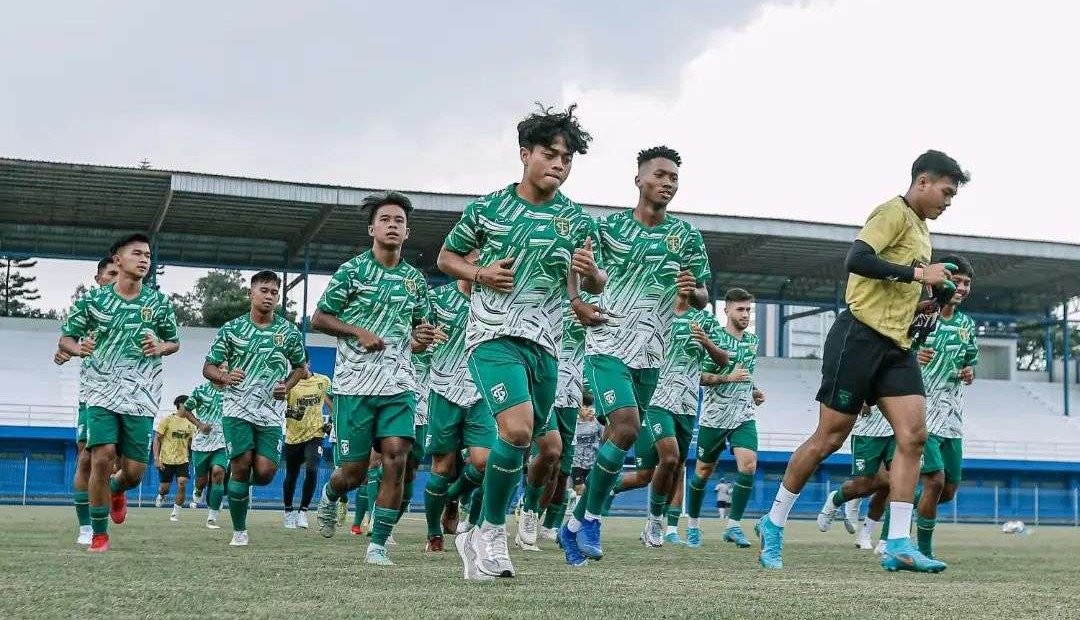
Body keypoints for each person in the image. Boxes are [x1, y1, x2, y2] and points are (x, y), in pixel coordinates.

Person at [757, 150, 969, 573]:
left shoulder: (922, 233)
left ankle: (898, 544)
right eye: (946, 192)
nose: (949, 201)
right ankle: (774, 520)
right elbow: (856, 260)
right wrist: (917, 275)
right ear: (923, 182)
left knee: (914, 437)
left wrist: (931, 300)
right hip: (857, 336)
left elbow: (902, 297)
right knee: (829, 439)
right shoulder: (891, 212)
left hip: (896, 346)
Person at [439, 104, 604, 580]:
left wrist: (589, 285)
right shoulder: (488, 209)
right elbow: (448, 256)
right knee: (516, 431)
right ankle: (489, 530)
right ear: (524, 154)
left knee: (543, 444)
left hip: (547, 347)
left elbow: (586, 284)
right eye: (550, 154)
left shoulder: (575, 220)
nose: (559, 164)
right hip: (492, 336)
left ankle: (476, 527)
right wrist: (479, 272)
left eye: (567, 159)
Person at [562, 144, 711, 566]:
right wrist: (583, 287)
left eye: (674, 178)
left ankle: (572, 524)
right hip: (608, 344)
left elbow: (702, 294)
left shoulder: (686, 237)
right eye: (660, 175)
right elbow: (588, 276)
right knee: (625, 428)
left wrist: (692, 291)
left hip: (652, 355)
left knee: (618, 436)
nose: (667, 183)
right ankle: (591, 518)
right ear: (639, 179)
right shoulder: (607, 229)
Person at [312, 191, 435, 567]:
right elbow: (319, 318)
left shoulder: (415, 281)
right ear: (372, 228)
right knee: (353, 472)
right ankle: (332, 494)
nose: (393, 225)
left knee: (397, 457)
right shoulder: (351, 272)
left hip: (399, 385)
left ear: (407, 232)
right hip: (354, 388)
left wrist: (421, 338)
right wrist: (356, 331)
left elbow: (419, 331)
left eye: (399, 221)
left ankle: (378, 544)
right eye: (386, 219)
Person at [58, 233, 180, 552]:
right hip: (100, 393)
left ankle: (116, 488)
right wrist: (78, 348)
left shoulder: (159, 303)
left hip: (141, 397)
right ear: (117, 260)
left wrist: (161, 346)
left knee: (135, 474)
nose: (144, 260)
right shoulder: (92, 301)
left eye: (148, 256)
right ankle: (98, 533)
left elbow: (174, 341)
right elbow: (66, 339)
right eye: (137, 253)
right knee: (100, 457)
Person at [202, 271, 307, 547]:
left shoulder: (288, 332)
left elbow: (300, 367)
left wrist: (288, 384)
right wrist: (224, 377)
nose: (269, 296)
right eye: (264, 290)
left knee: (264, 473)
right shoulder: (231, 329)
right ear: (251, 293)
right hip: (236, 408)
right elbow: (208, 367)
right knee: (241, 466)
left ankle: (237, 491)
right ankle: (239, 531)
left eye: (274, 292)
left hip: (270, 413)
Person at [422, 264, 495, 553]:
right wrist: (423, 336)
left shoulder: (495, 301)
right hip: (444, 390)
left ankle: (452, 498)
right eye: (475, 259)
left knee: (483, 462)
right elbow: (417, 336)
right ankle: (432, 533)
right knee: (442, 465)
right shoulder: (437, 299)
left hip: (482, 393)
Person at [686, 287, 764, 549]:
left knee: (749, 465)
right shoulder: (713, 337)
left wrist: (754, 391)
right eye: (740, 309)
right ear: (726, 310)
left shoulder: (752, 341)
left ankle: (733, 525)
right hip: (714, 417)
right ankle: (694, 525)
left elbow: (747, 374)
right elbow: (698, 377)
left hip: (743, 415)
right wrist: (727, 379)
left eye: (748, 310)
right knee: (703, 473)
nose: (745, 314)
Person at [913, 254, 978, 560]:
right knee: (935, 480)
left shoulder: (967, 324)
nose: (962, 288)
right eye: (957, 281)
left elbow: (970, 364)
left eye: (967, 283)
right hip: (922, 412)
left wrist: (969, 373)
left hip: (952, 416)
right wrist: (913, 357)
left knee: (948, 490)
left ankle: (898, 502)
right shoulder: (922, 315)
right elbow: (895, 353)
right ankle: (922, 549)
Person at [53, 256, 120, 544]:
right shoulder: (91, 307)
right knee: (88, 458)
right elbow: (70, 340)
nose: (117, 279)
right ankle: (86, 528)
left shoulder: (140, 307)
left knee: (124, 467)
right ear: (99, 278)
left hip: (133, 399)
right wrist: (71, 351)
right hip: (93, 396)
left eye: (120, 273)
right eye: (111, 273)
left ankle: (117, 488)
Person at [282, 364, 332, 529]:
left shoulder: (323, 381)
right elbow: (278, 403)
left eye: (301, 364)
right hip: (293, 436)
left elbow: (335, 402)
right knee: (291, 474)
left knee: (312, 470)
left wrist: (331, 423)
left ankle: (303, 511)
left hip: (315, 434)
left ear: (308, 363)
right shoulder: (288, 382)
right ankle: (288, 511)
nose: (298, 369)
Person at [178, 373, 228, 529]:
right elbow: (185, 410)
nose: (225, 370)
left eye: (227, 368)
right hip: (202, 443)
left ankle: (212, 517)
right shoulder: (201, 391)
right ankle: (198, 489)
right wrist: (199, 425)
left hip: (223, 442)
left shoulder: (232, 391)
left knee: (218, 473)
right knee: (202, 480)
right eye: (221, 368)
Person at [153, 395, 196, 522]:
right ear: (180, 404)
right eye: (188, 404)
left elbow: (191, 442)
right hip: (166, 460)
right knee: (164, 488)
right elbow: (157, 439)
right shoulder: (167, 420)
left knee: (182, 483)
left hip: (183, 460)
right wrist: (156, 458)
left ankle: (175, 513)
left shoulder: (191, 423)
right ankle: (161, 495)